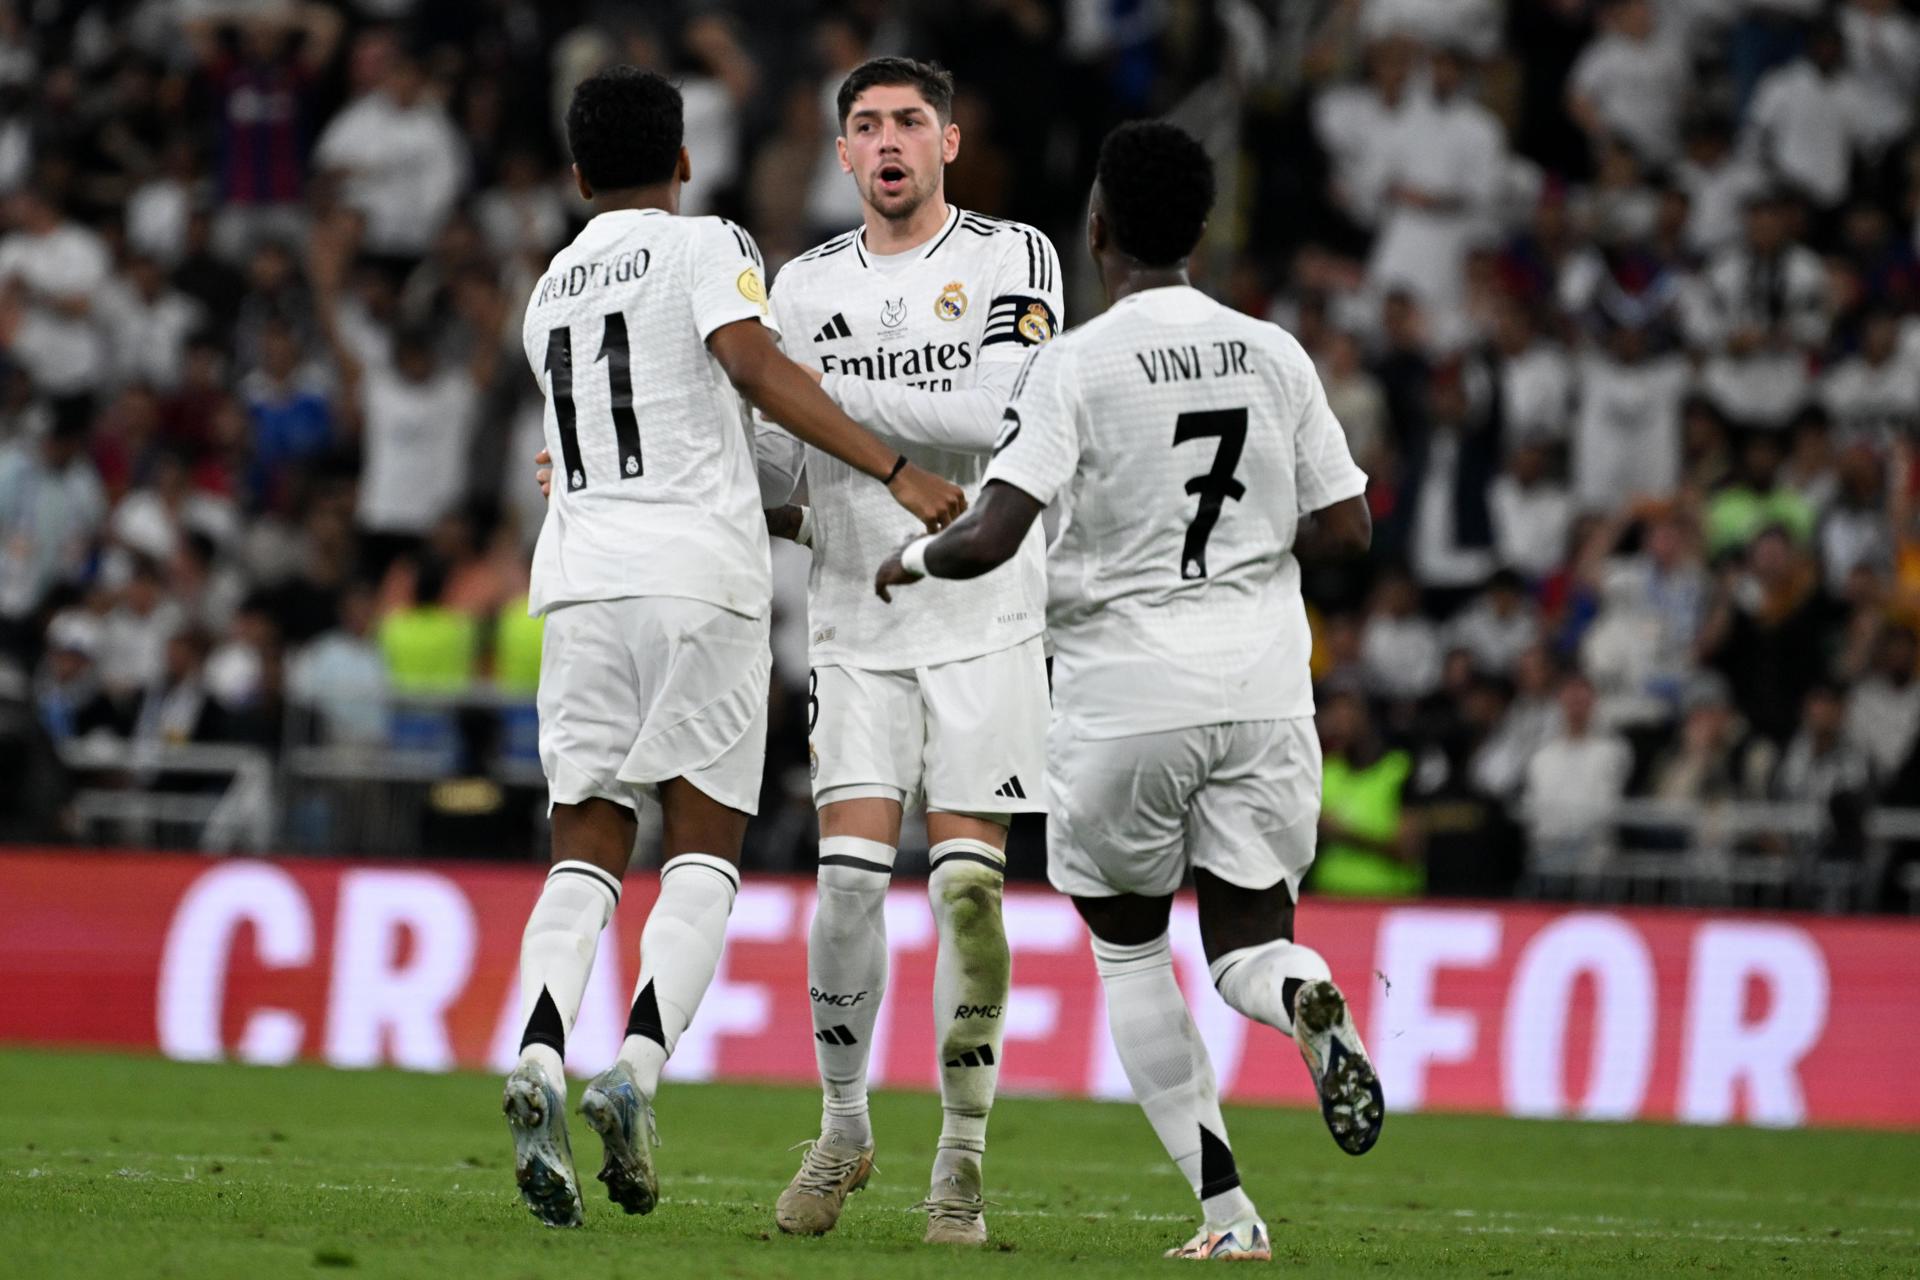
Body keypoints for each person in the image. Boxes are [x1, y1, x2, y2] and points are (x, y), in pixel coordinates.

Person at [875, 121, 1383, 1262]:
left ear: (1096, 227)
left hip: (1122, 693)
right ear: (1202, 231)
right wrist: (1252, 540)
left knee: (1131, 950)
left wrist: (906, 560)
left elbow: (992, 533)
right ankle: (1305, 990)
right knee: (1252, 941)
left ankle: (1228, 1212)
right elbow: (1349, 525)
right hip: (1263, 688)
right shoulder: (1275, 351)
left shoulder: (1078, 362)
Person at [500, 66, 962, 1231]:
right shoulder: (705, 243)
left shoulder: (547, 287)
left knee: (583, 851)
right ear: (686, 160)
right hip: (698, 581)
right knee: (703, 846)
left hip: (578, 586)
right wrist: (895, 470)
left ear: (575, 175)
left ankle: (540, 1054)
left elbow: (582, 445)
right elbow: (752, 367)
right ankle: (636, 1068)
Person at [751, 57, 1063, 1248]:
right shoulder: (802, 282)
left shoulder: (1012, 255)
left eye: (909, 123)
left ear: (950, 141)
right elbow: (784, 478)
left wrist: (823, 408)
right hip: (855, 622)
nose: (887, 141)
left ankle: (963, 1159)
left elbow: (1000, 410)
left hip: (985, 618)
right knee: (842, 881)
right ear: (841, 154)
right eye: (866, 126)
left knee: (972, 894)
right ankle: (841, 1126)